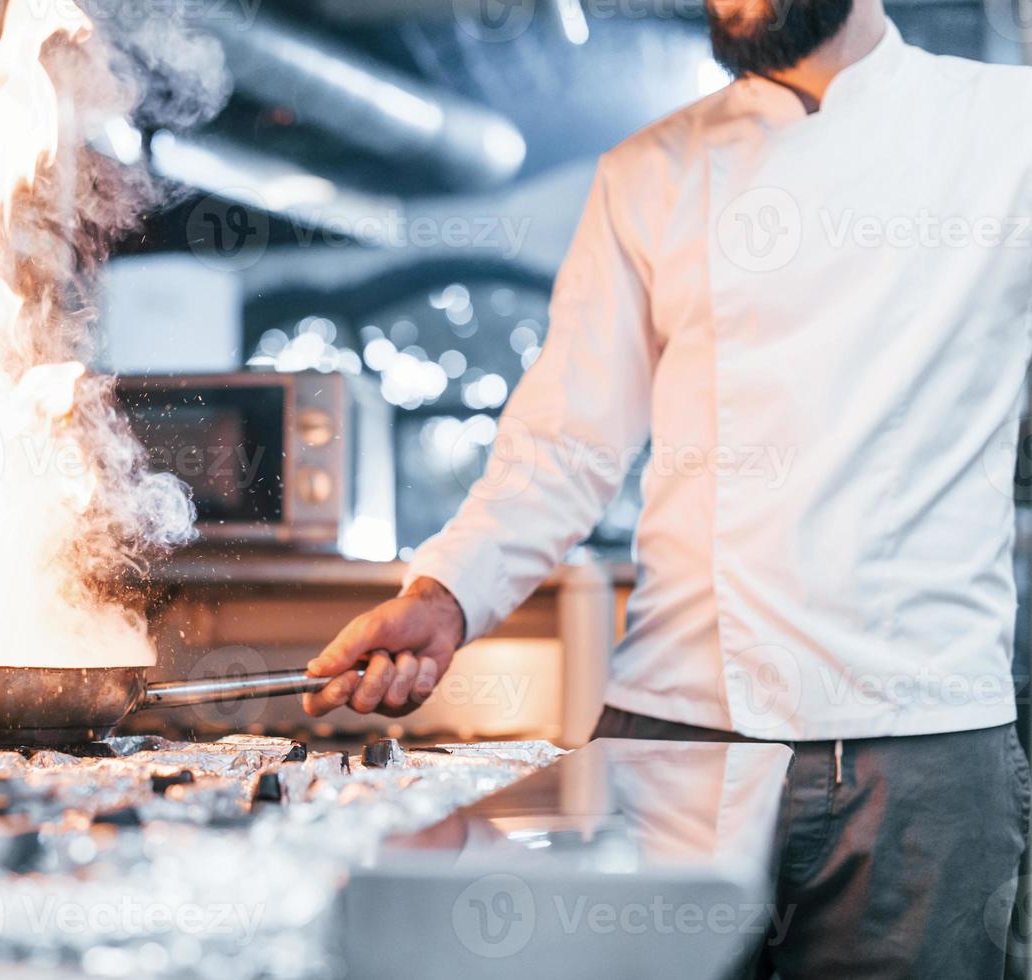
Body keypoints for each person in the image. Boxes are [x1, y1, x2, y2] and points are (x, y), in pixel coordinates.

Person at [304, 0, 1032, 974]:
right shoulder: (646, 171)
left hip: (926, 748)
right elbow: (567, 439)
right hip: (675, 733)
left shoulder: (1006, 130)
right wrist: (447, 595)